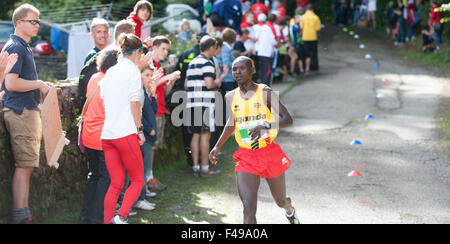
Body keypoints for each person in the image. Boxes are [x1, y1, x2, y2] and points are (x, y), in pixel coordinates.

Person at [209, 56, 300, 224]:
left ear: (252, 70)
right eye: (234, 69)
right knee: (248, 206)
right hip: (246, 155)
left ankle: (289, 210)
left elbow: (288, 119)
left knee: (280, 200)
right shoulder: (230, 96)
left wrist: (267, 126)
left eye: (242, 68)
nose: (237, 72)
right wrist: (217, 146)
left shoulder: (265, 92)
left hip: (268, 152)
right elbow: (232, 122)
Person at [2, 3, 53, 224]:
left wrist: (38, 86)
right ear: (19, 22)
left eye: (38, 21)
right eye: (33, 21)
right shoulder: (16, 47)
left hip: (25, 111)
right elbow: (11, 83)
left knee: (27, 166)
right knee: (24, 166)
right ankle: (21, 217)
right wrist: (39, 84)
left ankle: (24, 215)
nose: (37, 25)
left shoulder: (21, 46)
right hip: (20, 112)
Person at [100, 33, 146, 224]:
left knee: (116, 184)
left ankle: (108, 220)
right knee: (137, 180)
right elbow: (135, 103)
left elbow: (104, 99)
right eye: (141, 52)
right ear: (135, 52)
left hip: (107, 135)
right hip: (125, 133)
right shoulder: (133, 71)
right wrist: (140, 130)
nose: (142, 56)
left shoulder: (110, 71)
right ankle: (121, 218)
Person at [78, 47, 120, 224]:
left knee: (93, 176)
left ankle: (85, 216)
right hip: (104, 138)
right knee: (105, 178)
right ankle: (98, 218)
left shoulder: (95, 78)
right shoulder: (113, 82)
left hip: (89, 135)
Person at [185, 36, 221, 176]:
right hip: (204, 103)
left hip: (192, 102)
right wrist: (218, 81)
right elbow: (209, 84)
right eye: (215, 48)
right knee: (205, 135)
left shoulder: (193, 62)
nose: (215, 51)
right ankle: (205, 167)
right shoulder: (207, 63)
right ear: (211, 48)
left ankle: (195, 166)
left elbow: (186, 85)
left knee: (195, 135)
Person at [150, 36, 181, 191]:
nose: (165, 52)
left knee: (154, 147)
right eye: (163, 48)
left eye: (167, 50)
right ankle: (147, 179)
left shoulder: (159, 67)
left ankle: (149, 177)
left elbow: (165, 91)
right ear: (154, 47)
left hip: (160, 111)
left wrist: (172, 80)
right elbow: (150, 86)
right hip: (153, 112)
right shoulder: (149, 65)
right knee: (150, 148)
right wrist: (167, 77)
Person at [174, 32, 209, 167]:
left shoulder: (184, 54)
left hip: (183, 94)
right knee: (202, 130)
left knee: (186, 129)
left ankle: (190, 158)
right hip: (198, 96)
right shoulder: (206, 57)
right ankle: (201, 157)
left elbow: (177, 72)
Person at [134, 65, 164, 211]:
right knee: (141, 169)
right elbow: (137, 115)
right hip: (143, 136)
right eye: (147, 75)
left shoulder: (145, 91)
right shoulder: (137, 92)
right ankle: (139, 199)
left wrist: (153, 95)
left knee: (145, 168)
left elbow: (153, 110)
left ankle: (141, 197)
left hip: (148, 136)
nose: (150, 79)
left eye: (151, 76)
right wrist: (149, 129)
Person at [254, 13, 277, 86]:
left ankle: (262, 91)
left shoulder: (259, 27)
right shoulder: (269, 27)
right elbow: (274, 41)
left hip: (260, 52)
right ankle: (266, 92)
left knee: (262, 72)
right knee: (267, 73)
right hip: (267, 53)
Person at [300, 4, 321, 74]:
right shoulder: (316, 17)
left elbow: (301, 27)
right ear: (313, 10)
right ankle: (315, 68)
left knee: (306, 54)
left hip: (305, 37)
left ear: (306, 10)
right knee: (314, 53)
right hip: (313, 37)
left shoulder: (302, 17)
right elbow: (318, 29)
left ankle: (307, 67)